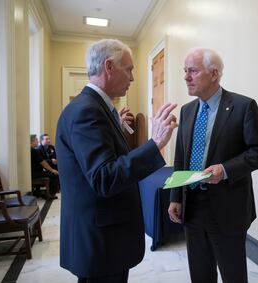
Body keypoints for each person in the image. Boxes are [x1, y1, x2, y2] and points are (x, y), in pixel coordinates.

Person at [56, 39, 177, 283]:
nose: (132, 78)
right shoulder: (87, 111)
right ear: (108, 67)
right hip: (101, 240)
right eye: (129, 69)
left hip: (102, 237)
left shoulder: (94, 107)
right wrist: (155, 144)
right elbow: (104, 178)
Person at [168, 48, 258, 283]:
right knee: (200, 273)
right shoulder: (187, 110)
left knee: (233, 274)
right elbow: (181, 157)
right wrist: (176, 196)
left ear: (214, 74)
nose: (186, 77)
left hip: (228, 207)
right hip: (192, 205)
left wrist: (225, 170)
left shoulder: (243, 106)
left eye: (192, 71)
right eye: (185, 71)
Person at [30, 134, 59, 199]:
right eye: (36, 140)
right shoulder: (34, 151)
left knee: (53, 171)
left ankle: (43, 192)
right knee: (54, 174)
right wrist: (52, 170)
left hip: (33, 172)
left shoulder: (31, 150)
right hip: (35, 173)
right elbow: (43, 162)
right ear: (32, 141)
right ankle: (50, 194)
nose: (37, 141)